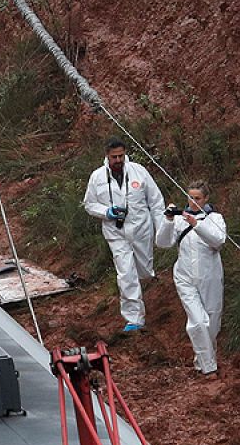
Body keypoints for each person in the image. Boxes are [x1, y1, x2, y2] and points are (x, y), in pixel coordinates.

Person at [83, 138, 165, 332]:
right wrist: (106, 212)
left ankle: (145, 289)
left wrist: (162, 230)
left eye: (121, 155)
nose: (118, 160)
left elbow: (156, 201)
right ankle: (134, 318)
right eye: (114, 157)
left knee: (144, 271)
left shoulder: (139, 172)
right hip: (116, 232)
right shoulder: (97, 177)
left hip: (141, 229)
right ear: (107, 156)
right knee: (126, 274)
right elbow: (89, 204)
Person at [156, 182, 226, 376]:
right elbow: (162, 242)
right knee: (198, 322)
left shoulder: (215, 218)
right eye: (190, 198)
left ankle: (201, 359)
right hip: (185, 276)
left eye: (198, 198)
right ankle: (209, 367)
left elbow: (218, 241)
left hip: (210, 275)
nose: (193, 202)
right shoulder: (179, 220)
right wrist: (168, 220)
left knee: (212, 322)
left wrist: (197, 225)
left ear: (206, 199)